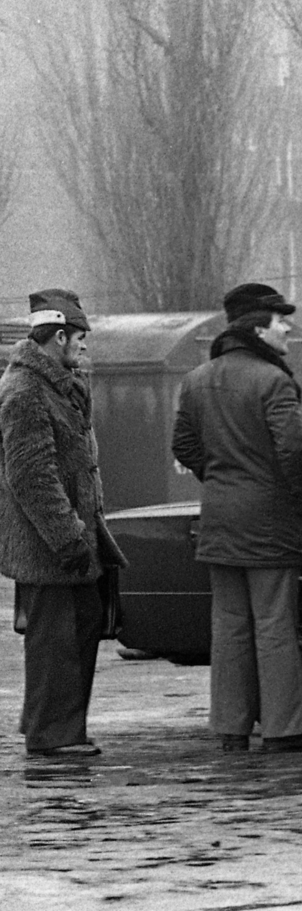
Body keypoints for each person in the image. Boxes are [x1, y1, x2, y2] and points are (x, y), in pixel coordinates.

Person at [172, 283, 302, 753]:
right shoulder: (273, 381)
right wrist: (295, 497)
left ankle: (231, 729)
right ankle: (285, 729)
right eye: (281, 321)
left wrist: (218, 477)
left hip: (220, 519)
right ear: (258, 328)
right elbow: (294, 451)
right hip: (269, 521)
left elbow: (184, 445)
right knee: (275, 623)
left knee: (230, 626)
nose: (287, 328)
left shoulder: (198, 379)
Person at [1, 289, 126, 758]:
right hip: (50, 543)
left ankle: (49, 726)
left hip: (73, 536)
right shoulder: (25, 391)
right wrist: (68, 537)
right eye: (80, 337)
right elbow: (31, 474)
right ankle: (53, 736)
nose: (86, 346)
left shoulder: (60, 385)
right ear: (58, 336)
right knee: (57, 636)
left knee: (81, 625)